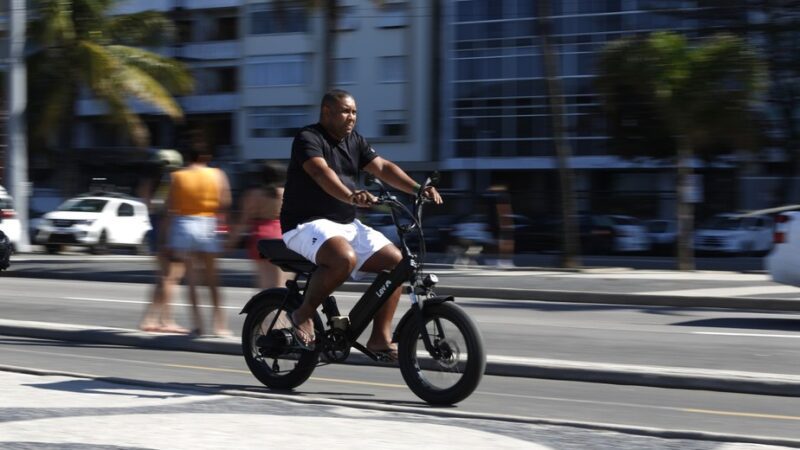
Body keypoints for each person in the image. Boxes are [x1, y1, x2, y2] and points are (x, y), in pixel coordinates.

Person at [280, 89, 442, 359]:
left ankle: (379, 338)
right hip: (305, 224)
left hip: (345, 223)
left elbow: (383, 168)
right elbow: (321, 172)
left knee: (397, 263)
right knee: (344, 258)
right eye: (346, 111)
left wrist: (417, 189)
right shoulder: (308, 138)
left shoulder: (355, 141)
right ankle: (302, 314)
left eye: (354, 112)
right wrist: (351, 195)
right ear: (327, 112)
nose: (352, 117)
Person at [165, 129, 232, 337]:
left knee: (192, 279)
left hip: (184, 223)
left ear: (187, 157)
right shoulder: (217, 174)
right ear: (206, 157)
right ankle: (220, 325)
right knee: (213, 279)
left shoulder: (177, 176)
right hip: (208, 222)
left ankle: (198, 326)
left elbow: (170, 206)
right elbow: (225, 202)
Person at [139, 149, 188, 333]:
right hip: (167, 228)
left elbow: (148, 203)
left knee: (164, 278)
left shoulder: (148, 182)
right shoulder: (170, 181)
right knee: (170, 278)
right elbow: (167, 208)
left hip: (157, 227)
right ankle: (166, 320)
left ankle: (151, 319)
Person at [227, 161, 288, 290]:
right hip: (281, 236)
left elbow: (243, 221)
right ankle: (280, 309)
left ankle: (262, 308)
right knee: (280, 282)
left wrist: (231, 241)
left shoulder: (252, 194)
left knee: (263, 281)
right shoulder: (287, 193)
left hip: (260, 237)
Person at [485, 183, 515, 267]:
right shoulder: (500, 198)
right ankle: (502, 261)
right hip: (500, 224)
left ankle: (498, 261)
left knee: (497, 242)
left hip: (498, 224)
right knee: (501, 243)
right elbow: (503, 213)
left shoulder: (495, 198)